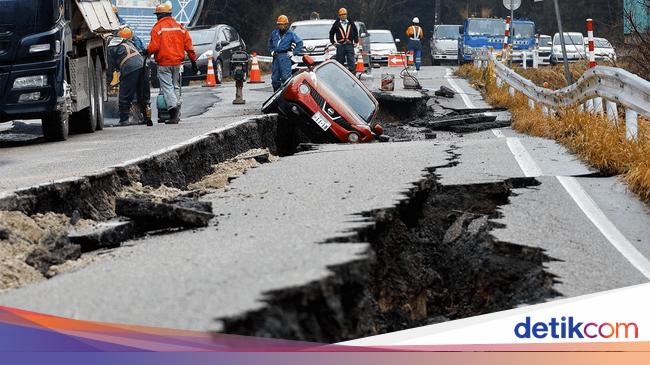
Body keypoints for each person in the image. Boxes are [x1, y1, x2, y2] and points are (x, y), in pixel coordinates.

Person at [146, 2, 198, 124]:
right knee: (174, 86)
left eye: (157, 15)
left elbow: (154, 47)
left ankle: (173, 112)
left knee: (167, 88)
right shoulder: (179, 28)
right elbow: (189, 46)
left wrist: (146, 51)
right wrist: (193, 61)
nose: (157, 17)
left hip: (164, 63)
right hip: (177, 63)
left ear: (160, 15)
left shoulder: (158, 28)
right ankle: (176, 110)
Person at [108, 27, 152, 126]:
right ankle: (146, 118)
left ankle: (124, 120)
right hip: (144, 67)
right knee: (143, 94)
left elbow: (110, 66)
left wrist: (108, 80)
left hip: (130, 69)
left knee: (125, 95)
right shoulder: (130, 43)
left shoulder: (112, 47)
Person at [268, 15, 303, 92]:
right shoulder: (274, 33)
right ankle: (276, 94)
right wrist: (272, 51)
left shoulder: (290, 34)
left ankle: (286, 94)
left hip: (285, 56)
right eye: (279, 24)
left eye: (282, 24)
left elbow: (300, 43)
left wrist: (293, 52)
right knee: (275, 79)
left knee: (285, 78)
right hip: (276, 57)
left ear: (286, 24)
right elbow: (270, 43)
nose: (281, 26)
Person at [329, 8, 359, 73]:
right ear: (339, 16)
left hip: (349, 44)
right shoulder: (336, 24)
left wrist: (356, 41)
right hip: (340, 45)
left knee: (351, 61)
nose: (343, 16)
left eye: (344, 14)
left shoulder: (351, 22)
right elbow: (331, 33)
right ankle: (340, 75)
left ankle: (352, 74)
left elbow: (355, 31)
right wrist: (333, 42)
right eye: (341, 15)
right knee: (340, 61)